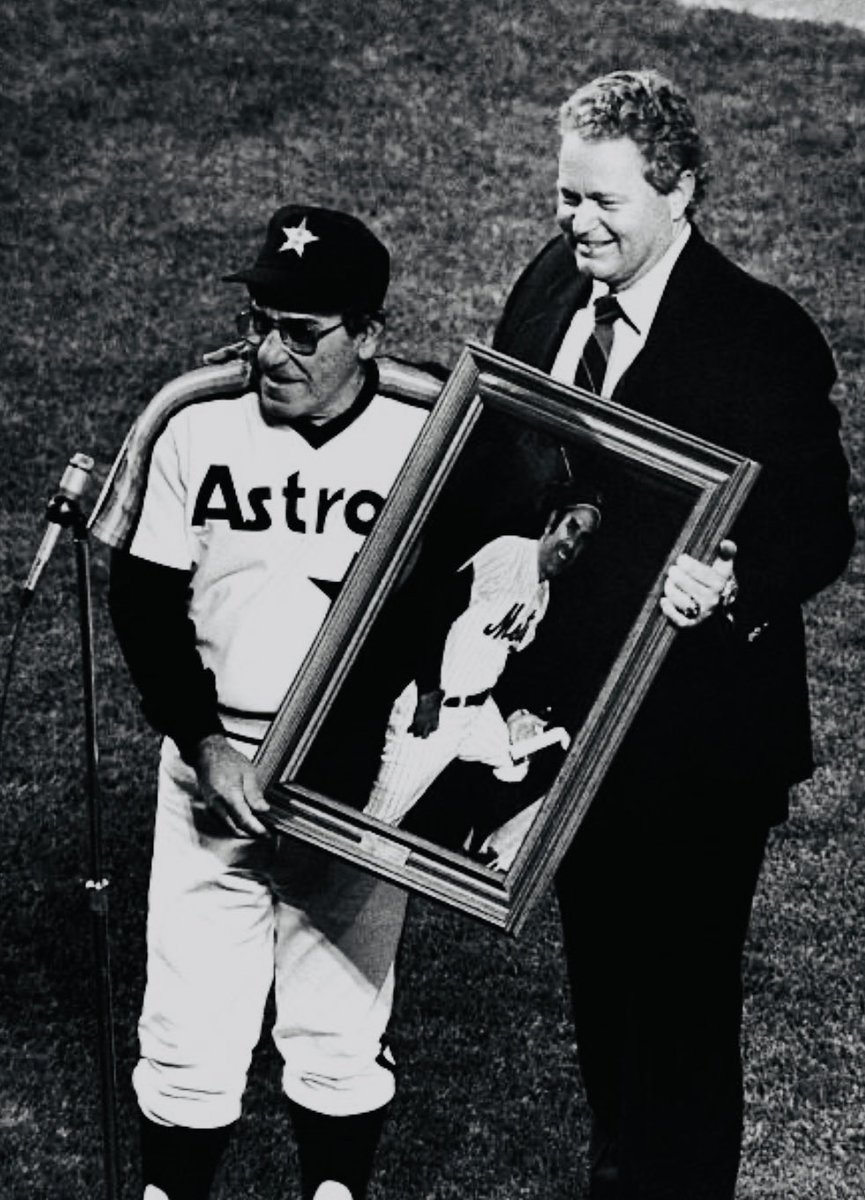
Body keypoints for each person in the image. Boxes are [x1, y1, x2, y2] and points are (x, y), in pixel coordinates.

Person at [491, 70, 854, 1199]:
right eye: (565, 197)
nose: (578, 225)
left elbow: (819, 525)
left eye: (605, 203)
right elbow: (509, 448)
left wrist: (736, 580)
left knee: (680, 1010)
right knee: (602, 990)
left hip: (697, 740)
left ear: (679, 190)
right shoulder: (550, 286)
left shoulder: (759, 335)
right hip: (568, 720)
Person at [90, 205, 440, 1200]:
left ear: (367, 334)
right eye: (259, 321)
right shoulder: (194, 414)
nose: (270, 353)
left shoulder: (431, 431)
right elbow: (145, 598)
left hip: (359, 777)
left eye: (302, 333)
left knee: (339, 1021)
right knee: (188, 1024)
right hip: (216, 760)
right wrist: (202, 742)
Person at [364, 485, 602, 830]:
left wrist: (519, 715)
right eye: (571, 527)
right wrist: (429, 692)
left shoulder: (543, 593)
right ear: (552, 521)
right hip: (434, 708)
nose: (573, 542)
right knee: (377, 825)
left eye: (585, 538)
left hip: (476, 711)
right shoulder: (509, 553)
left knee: (515, 761)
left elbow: (501, 657)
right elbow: (434, 610)